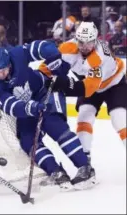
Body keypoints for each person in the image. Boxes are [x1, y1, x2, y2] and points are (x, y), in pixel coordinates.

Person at [0, 41, 96, 190]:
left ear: (9, 65)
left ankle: (85, 168)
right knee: (27, 141)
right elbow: (9, 105)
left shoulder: (16, 55)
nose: (0, 74)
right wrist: (31, 107)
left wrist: (54, 56)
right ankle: (56, 172)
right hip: (28, 107)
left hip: (45, 92)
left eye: (3, 70)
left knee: (55, 128)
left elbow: (39, 47)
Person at [50, 22, 126, 162]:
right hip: (91, 83)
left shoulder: (99, 56)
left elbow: (88, 88)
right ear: (76, 38)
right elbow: (49, 65)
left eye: (89, 42)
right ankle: (85, 162)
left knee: (119, 118)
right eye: (81, 41)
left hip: (114, 83)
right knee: (84, 117)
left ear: (95, 39)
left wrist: (63, 84)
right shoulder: (68, 48)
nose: (84, 46)